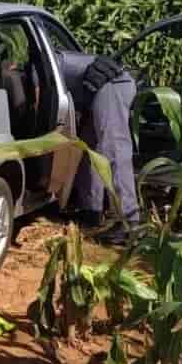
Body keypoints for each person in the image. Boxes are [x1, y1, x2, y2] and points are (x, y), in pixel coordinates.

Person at [56, 50, 139, 244]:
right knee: (89, 149)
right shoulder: (49, 59)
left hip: (112, 85)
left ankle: (128, 222)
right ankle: (91, 211)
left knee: (113, 151)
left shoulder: (41, 66)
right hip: (96, 89)